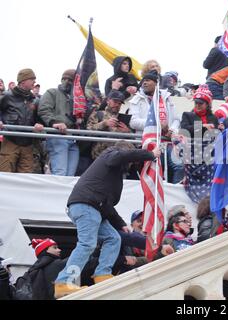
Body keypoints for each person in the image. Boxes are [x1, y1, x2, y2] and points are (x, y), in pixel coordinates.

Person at [53, 141, 161, 298]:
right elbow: (122, 156)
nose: (131, 164)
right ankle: (64, 282)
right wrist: (148, 154)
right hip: (86, 207)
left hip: (93, 208)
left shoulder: (111, 173)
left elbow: (107, 204)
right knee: (87, 244)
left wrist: (121, 224)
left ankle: (102, 274)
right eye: (131, 159)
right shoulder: (110, 154)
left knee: (113, 238)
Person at [129, 70, 183, 183]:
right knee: (158, 167)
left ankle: (171, 193)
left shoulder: (166, 97)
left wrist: (172, 130)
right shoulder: (136, 99)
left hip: (167, 142)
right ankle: (158, 195)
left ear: (156, 83)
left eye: (147, 80)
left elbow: (177, 119)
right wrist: (155, 124)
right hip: (147, 142)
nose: (144, 83)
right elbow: (133, 122)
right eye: (143, 81)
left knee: (180, 166)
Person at [0, 68, 44, 173]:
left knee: (26, 176)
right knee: (5, 173)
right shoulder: (7, 96)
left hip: (28, 144)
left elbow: (40, 118)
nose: (34, 82)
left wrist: (40, 124)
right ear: (23, 81)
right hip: (10, 141)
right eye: (32, 79)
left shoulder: (35, 100)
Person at [180, 84, 219, 203]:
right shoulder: (187, 115)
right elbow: (185, 130)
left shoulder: (214, 118)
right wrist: (203, 127)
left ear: (207, 104)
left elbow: (215, 134)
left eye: (200, 103)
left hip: (209, 154)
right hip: (193, 153)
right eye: (196, 102)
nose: (197, 105)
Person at [38, 69, 79, 176]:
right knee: (60, 173)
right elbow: (43, 110)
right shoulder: (52, 92)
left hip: (74, 139)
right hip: (58, 136)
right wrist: (54, 122)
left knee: (70, 176)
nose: (67, 82)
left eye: (70, 80)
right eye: (65, 79)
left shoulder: (78, 98)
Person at [87, 90, 131, 160]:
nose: (117, 105)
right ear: (108, 101)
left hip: (118, 156)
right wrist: (104, 123)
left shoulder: (123, 118)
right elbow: (88, 131)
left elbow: (131, 138)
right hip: (100, 156)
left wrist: (127, 131)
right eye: (115, 102)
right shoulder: (98, 114)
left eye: (119, 104)